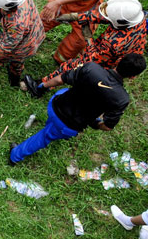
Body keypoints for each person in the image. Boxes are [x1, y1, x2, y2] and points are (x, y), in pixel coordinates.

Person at [9, 54, 146, 165]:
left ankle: (51, 124)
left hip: (55, 105)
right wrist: (95, 123)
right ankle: (15, 156)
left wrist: (41, 87)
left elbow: (59, 80)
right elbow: (107, 126)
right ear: (133, 77)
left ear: (119, 61)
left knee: (63, 91)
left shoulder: (91, 68)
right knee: (44, 137)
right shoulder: (122, 99)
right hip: (69, 125)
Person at [25, 0, 146, 97]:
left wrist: (88, 37)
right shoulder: (137, 17)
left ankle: (40, 87)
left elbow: (91, 57)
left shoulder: (113, 43)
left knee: (72, 67)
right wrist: (75, 17)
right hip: (125, 53)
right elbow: (103, 17)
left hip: (109, 61)